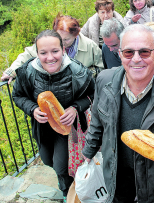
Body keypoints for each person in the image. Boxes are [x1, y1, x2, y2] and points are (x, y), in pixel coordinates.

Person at [82, 24, 154, 203]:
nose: (136, 59)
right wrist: (89, 149)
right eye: (129, 52)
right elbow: (98, 120)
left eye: (144, 52)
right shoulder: (104, 81)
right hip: (115, 177)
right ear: (120, 54)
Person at [12, 29, 95, 199]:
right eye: (43, 53)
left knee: (61, 167)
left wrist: (75, 108)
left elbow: (93, 95)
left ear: (63, 50)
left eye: (55, 51)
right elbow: (18, 95)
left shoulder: (78, 71)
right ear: (37, 53)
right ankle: (67, 185)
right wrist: (32, 109)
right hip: (42, 128)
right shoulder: (27, 71)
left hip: (68, 129)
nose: (50, 58)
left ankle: (68, 193)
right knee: (48, 161)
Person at [1, 15, 103, 84]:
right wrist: (12, 71)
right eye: (59, 38)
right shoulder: (48, 41)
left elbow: (101, 69)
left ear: (76, 35)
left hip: (81, 94)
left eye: (66, 39)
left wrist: (82, 75)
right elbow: (27, 54)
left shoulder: (90, 46)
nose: (61, 43)